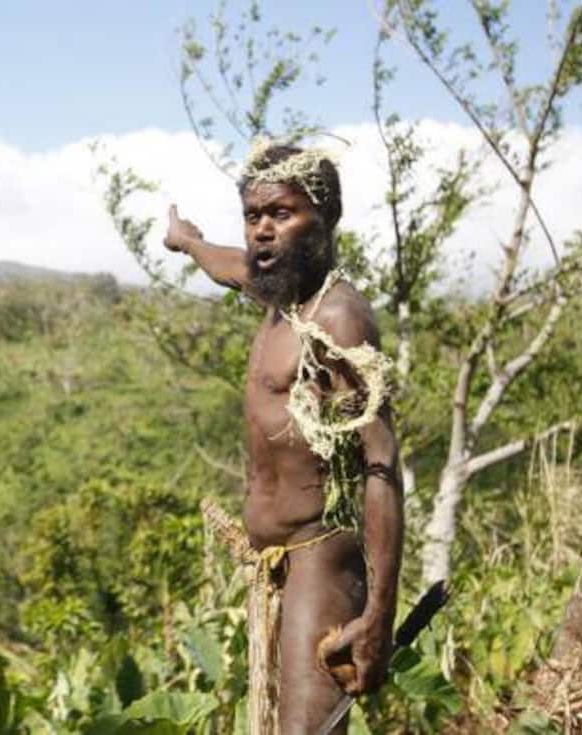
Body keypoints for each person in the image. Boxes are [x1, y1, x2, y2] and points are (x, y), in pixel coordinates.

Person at [164, 144, 404, 733]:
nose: (262, 232)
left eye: (282, 214)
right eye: (253, 218)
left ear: (325, 217)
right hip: (270, 563)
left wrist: (379, 616)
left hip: (319, 559)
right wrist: (187, 241)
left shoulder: (336, 320)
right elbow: (225, 265)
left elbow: (383, 463)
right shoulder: (277, 293)